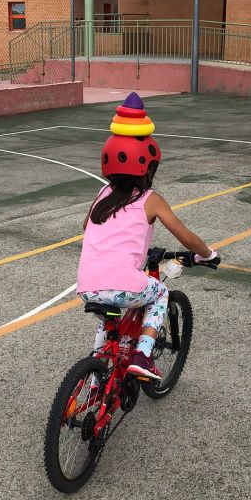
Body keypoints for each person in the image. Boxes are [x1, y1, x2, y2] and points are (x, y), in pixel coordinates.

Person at [76, 93, 216, 382]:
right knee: (160, 293)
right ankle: (143, 356)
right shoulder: (150, 199)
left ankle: (96, 381)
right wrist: (208, 254)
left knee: (109, 326)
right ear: (148, 167)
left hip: (87, 286)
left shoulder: (102, 194)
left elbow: (87, 227)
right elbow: (187, 238)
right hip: (123, 285)